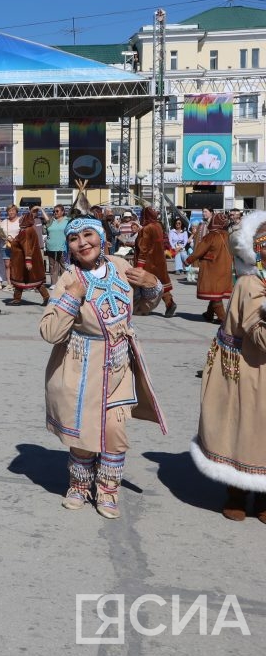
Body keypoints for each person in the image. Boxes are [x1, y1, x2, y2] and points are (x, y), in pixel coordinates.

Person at [40, 213, 166, 519]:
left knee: (113, 428)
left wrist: (153, 286)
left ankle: (108, 487)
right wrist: (71, 298)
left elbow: (142, 306)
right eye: (74, 238)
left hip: (119, 362)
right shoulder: (68, 279)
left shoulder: (121, 267)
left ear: (102, 237)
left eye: (88, 235)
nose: (82, 243)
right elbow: (49, 332)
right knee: (84, 430)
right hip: (81, 364)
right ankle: (79, 484)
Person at [192, 211, 266, 521]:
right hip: (246, 368)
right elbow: (261, 337)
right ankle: (238, 492)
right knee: (245, 424)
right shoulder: (250, 284)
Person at [185, 211, 233, 323]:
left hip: (213, 268)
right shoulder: (227, 235)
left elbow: (199, 251)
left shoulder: (211, 236)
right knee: (216, 292)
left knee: (215, 294)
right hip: (225, 267)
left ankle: (223, 318)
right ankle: (209, 314)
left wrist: (188, 261)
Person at [134, 207, 175, 318]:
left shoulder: (146, 229)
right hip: (159, 260)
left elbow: (144, 248)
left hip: (149, 261)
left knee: (148, 285)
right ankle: (169, 303)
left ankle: (143, 308)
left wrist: (139, 265)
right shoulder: (158, 226)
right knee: (161, 283)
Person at [7, 211, 51, 306]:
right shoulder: (27, 230)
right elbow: (22, 243)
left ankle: (46, 298)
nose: (20, 220)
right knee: (25, 279)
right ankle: (17, 299)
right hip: (26, 259)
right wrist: (14, 241)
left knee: (28, 279)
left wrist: (28, 261)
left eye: (22, 219)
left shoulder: (26, 231)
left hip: (25, 260)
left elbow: (27, 246)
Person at [45, 205, 69, 284]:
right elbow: (45, 231)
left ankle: (64, 283)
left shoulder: (67, 220)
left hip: (63, 247)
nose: (55, 213)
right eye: (54, 211)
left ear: (62, 212)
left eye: (57, 211)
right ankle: (54, 283)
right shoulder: (51, 220)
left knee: (63, 266)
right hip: (51, 247)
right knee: (52, 266)